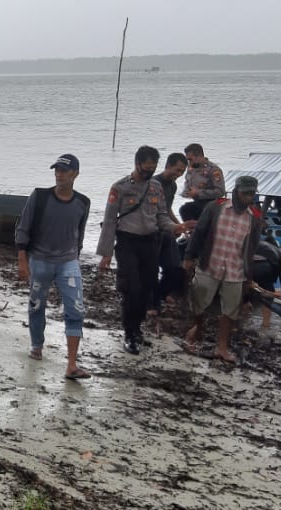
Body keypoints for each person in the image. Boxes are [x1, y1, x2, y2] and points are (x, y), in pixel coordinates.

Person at [96, 145, 185, 355]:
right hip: (127, 243)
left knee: (146, 289)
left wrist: (176, 227)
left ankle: (137, 330)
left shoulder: (156, 187)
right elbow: (109, 221)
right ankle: (129, 333)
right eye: (145, 169)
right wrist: (106, 253)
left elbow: (161, 215)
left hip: (150, 242)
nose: (148, 173)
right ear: (137, 164)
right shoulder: (120, 187)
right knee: (131, 289)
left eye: (152, 169)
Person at [15, 153, 91, 380]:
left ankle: (72, 365)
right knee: (37, 305)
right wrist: (22, 259)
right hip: (40, 260)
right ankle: (37, 345)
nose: (59, 174)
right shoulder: (40, 197)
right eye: (56, 170)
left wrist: (75, 256)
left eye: (65, 171)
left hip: (68, 262)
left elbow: (80, 232)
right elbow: (23, 226)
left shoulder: (83, 202)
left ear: (75, 174)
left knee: (75, 309)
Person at [183, 175, 263, 364]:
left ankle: (222, 347)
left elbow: (252, 248)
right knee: (198, 302)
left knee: (230, 311)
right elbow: (199, 233)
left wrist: (249, 275)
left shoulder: (255, 218)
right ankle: (198, 329)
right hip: (210, 263)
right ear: (235, 192)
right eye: (245, 194)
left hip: (235, 270)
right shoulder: (215, 208)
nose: (248, 198)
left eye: (251, 195)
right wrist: (189, 256)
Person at [149, 152, 190, 314]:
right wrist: (172, 226)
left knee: (174, 267)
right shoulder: (153, 183)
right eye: (177, 170)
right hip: (152, 232)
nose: (178, 175)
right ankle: (151, 303)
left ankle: (160, 295)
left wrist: (179, 225)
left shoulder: (172, 186)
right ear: (167, 166)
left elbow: (167, 209)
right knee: (150, 269)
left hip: (166, 230)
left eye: (182, 172)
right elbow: (153, 212)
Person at [250, 233, 281, 344]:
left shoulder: (253, 244)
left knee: (244, 292)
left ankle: (240, 320)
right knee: (267, 295)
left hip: (247, 266)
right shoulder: (279, 252)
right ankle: (265, 327)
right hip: (265, 269)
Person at [179, 144, 225, 222]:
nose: (189, 162)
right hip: (196, 202)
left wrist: (198, 193)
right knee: (184, 210)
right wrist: (186, 192)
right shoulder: (191, 168)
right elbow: (187, 183)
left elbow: (220, 191)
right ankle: (192, 231)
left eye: (190, 159)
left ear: (199, 156)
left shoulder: (213, 170)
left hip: (211, 204)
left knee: (187, 210)